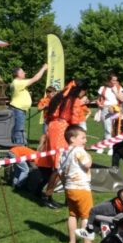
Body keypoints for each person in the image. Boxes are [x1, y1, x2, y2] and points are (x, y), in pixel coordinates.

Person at [41, 79, 90, 209]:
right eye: (84, 92)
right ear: (81, 91)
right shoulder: (74, 101)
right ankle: (47, 196)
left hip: (54, 127)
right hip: (62, 131)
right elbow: (74, 120)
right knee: (59, 167)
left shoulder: (61, 96)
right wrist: (80, 138)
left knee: (61, 165)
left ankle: (68, 197)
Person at [58, 124, 95, 243]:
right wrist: (89, 156)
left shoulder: (64, 152)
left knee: (73, 215)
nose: (86, 140)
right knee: (86, 216)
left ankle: (72, 241)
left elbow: (60, 171)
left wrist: (65, 184)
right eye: (83, 138)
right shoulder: (79, 151)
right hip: (81, 188)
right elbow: (88, 164)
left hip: (69, 188)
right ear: (73, 139)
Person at [8, 64, 48, 145]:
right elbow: (35, 78)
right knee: (19, 130)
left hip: (17, 109)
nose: (25, 73)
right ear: (18, 74)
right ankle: (19, 148)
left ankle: (16, 146)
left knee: (16, 129)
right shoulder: (18, 83)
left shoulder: (15, 83)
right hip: (18, 110)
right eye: (22, 72)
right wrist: (43, 68)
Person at [97, 74, 123, 150]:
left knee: (115, 129)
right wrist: (100, 105)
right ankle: (110, 147)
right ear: (109, 80)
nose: (115, 82)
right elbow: (98, 100)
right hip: (106, 109)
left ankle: (103, 146)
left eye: (116, 80)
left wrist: (115, 92)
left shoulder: (119, 88)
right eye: (113, 80)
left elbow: (122, 99)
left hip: (116, 110)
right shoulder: (102, 88)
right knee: (108, 129)